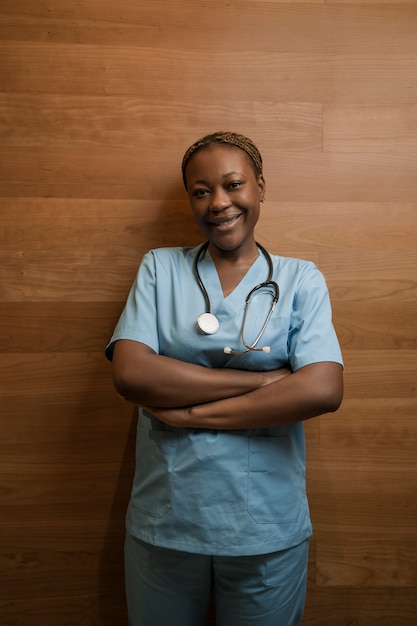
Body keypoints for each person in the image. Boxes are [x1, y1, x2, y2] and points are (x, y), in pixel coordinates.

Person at [105, 131, 343, 626]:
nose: (219, 203)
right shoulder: (159, 268)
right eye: (200, 190)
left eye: (233, 184)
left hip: (265, 529)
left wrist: (190, 413)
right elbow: (131, 374)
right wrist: (261, 382)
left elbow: (322, 388)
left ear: (259, 186)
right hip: (167, 521)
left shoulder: (301, 279)